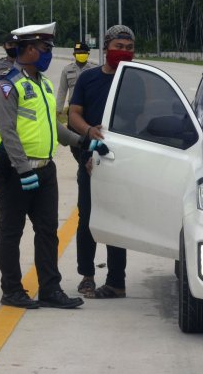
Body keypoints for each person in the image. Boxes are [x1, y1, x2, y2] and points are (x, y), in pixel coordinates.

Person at [0, 22, 84, 310]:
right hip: (14, 171)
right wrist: (23, 169)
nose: (48, 54)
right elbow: (7, 132)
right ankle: (12, 290)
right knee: (12, 229)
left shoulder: (41, 83)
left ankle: (50, 288)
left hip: (44, 169)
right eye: (45, 48)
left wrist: (81, 141)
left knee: (47, 230)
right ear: (28, 49)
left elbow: (51, 125)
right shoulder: (6, 85)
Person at [68, 24, 136, 299]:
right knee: (87, 217)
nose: (124, 53)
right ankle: (87, 276)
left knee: (118, 219)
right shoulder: (88, 79)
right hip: (90, 158)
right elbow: (73, 114)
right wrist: (88, 131)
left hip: (124, 161)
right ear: (106, 47)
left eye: (129, 48)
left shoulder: (136, 81)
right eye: (119, 47)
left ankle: (116, 281)